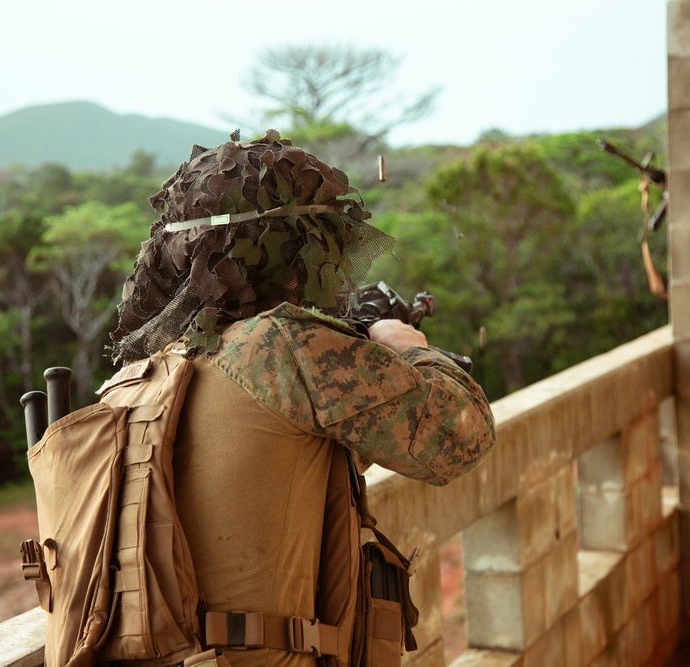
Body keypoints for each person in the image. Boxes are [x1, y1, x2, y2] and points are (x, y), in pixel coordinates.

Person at [108, 130, 495, 667]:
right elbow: (462, 435)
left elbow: (283, 460)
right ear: (295, 252)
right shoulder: (285, 346)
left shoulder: (140, 374)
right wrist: (407, 347)